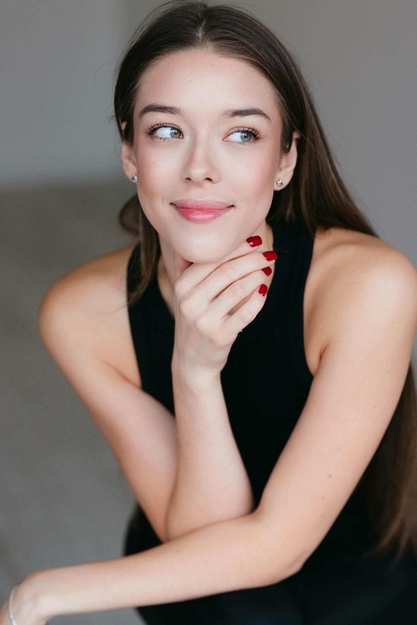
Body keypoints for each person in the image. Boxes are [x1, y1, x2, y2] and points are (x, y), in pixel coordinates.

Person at [2, 2, 417, 623]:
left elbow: (278, 545)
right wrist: (194, 370)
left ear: (285, 160)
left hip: (364, 596)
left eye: (242, 134)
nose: (200, 169)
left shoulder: (367, 287)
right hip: (202, 595)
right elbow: (204, 552)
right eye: (167, 131)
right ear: (129, 152)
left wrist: (41, 594)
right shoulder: (83, 314)